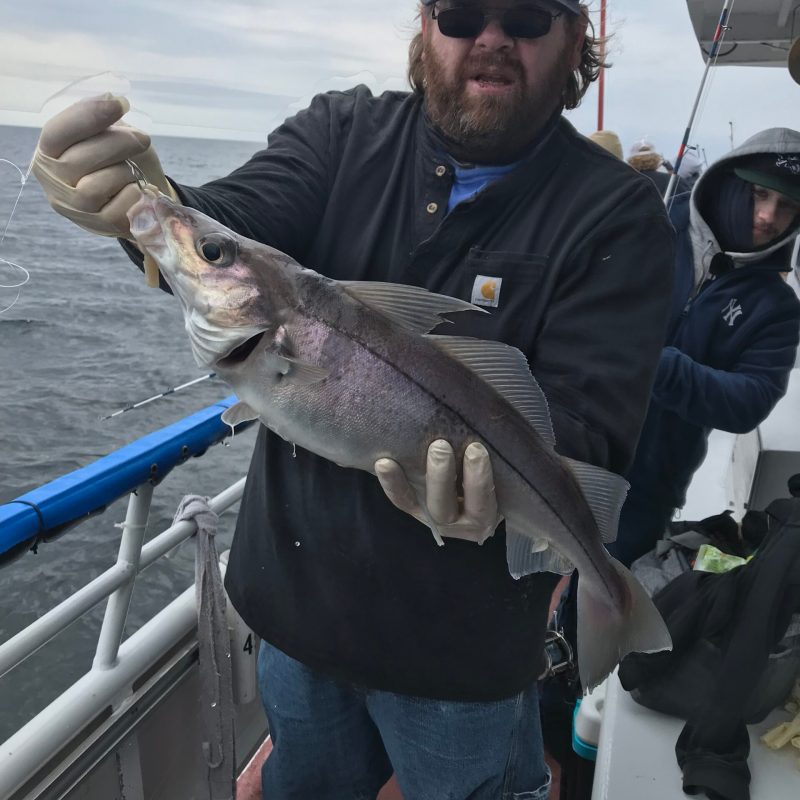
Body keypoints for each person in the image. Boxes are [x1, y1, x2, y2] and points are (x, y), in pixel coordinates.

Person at [31, 2, 676, 797]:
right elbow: (236, 224)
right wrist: (151, 206)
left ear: (576, 39)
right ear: (425, 23)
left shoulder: (618, 212)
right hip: (296, 626)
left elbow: (590, 425)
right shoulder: (342, 133)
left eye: (528, 16)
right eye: (463, 11)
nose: (492, 37)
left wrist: (513, 503)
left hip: (462, 660)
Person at [610, 130, 800, 568]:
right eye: (760, 194)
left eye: (788, 206)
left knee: (604, 611)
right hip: (567, 450)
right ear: (730, 181)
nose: (770, 216)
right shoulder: (646, 224)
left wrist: (655, 366)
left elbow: (748, 400)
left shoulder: (777, 307)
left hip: (649, 489)